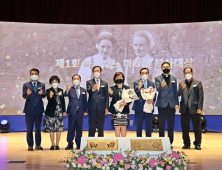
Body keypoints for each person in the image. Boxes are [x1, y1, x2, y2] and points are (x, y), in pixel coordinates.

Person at [177, 67, 204, 150]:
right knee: (185, 127)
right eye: (186, 72)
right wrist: (181, 88)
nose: (187, 74)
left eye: (189, 72)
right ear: (184, 74)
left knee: (197, 127)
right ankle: (186, 143)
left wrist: (199, 107)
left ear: (192, 73)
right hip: (184, 108)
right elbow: (178, 94)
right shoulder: (181, 83)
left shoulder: (198, 83)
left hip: (195, 108)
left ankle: (197, 143)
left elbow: (201, 96)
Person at [155, 62, 179, 145]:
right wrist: (161, 86)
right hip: (162, 103)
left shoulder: (174, 78)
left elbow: (175, 92)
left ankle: (170, 141)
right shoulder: (158, 78)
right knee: (161, 123)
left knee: (171, 123)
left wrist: (177, 103)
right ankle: (161, 140)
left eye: (167, 67)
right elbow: (158, 89)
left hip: (172, 103)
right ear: (161, 68)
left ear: (170, 68)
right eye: (164, 67)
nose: (166, 68)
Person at [22, 68, 46, 151]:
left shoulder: (42, 85)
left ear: (38, 75)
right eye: (32, 74)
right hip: (29, 109)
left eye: (35, 74)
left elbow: (44, 95)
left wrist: (42, 94)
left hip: (39, 109)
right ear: (30, 75)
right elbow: (24, 96)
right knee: (29, 128)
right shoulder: (26, 85)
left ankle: (38, 144)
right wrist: (27, 94)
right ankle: (30, 145)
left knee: (38, 128)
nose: (34, 75)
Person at [65, 74, 88, 150]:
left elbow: (85, 101)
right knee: (71, 127)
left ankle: (78, 143)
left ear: (80, 80)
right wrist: (67, 91)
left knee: (79, 128)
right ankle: (70, 143)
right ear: (72, 80)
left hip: (80, 112)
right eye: (74, 78)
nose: (76, 80)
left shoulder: (83, 90)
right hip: (72, 111)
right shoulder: (70, 89)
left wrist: (85, 110)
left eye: (77, 78)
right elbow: (65, 94)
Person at [132, 68, 156, 137]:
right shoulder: (136, 83)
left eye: (146, 73)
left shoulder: (151, 83)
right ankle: (139, 140)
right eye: (143, 73)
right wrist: (138, 87)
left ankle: (148, 140)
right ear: (140, 74)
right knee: (139, 126)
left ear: (148, 74)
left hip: (148, 106)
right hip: (139, 107)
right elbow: (134, 94)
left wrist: (152, 100)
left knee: (148, 125)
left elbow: (154, 94)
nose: (144, 74)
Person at [45, 75, 66, 150]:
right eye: (53, 82)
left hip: (59, 112)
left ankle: (57, 145)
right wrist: (50, 96)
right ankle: (52, 144)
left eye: (56, 81)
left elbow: (63, 101)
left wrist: (64, 110)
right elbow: (49, 101)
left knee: (58, 128)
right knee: (51, 129)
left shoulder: (61, 90)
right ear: (50, 83)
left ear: (58, 82)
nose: (55, 83)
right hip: (51, 112)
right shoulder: (48, 91)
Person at [87, 66, 109, 137]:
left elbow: (106, 96)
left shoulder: (105, 83)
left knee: (101, 125)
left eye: (98, 71)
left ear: (100, 72)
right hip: (92, 106)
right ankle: (90, 140)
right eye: (95, 71)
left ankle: (100, 140)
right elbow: (88, 91)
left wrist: (106, 107)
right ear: (93, 72)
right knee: (91, 124)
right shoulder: (89, 82)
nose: (97, 72)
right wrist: (93, 89)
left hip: (101, 107)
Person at [109, 72, 130, 137]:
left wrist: (125, 103)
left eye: (120, 77)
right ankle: (118, 142)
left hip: (124, 109)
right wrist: (111, 94)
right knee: (117, 127)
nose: (119, 78)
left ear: (123, 78)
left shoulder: (127, 88)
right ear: (115, 79)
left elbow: (131, 99)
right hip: (115, 110)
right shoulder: (112, 88)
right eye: (117, 77)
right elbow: (111, 97)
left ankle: (123, 143)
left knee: (124, 127)